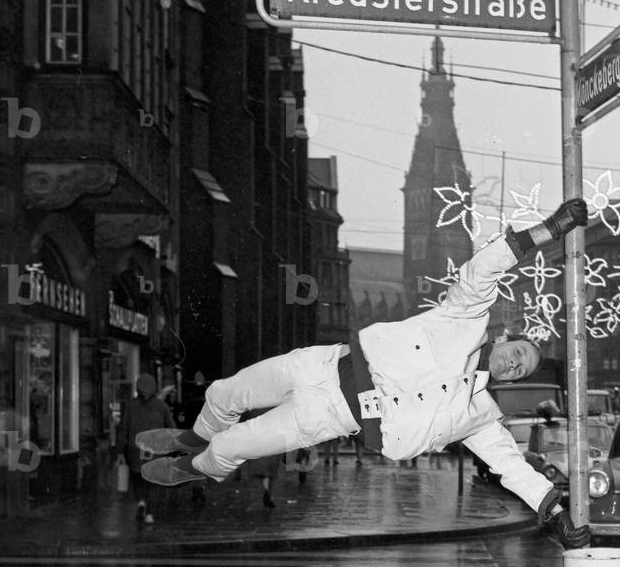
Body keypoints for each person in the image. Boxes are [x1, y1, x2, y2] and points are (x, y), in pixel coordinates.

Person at [136, 199, 592, 547]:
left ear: (511, 380)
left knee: (233, 446)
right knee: (223, 393)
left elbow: (512, 467)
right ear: (506, 338)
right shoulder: (464, 318)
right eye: (518, 352)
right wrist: (549, 230)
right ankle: (193, 438)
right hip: (323, 362)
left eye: (521, 368)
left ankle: (192, 468)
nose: (514, 362)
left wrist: (555, 513)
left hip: (329, 417)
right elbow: (483, 269)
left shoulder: (479, 415)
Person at [115, 373, 173, 524]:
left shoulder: (130, 405)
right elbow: (171, 428)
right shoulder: (162, 406)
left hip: (134, 450)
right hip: (155, 450)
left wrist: (120, 450)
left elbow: (123, 429)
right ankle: (150, 514)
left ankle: (141, 501)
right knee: (153, 482)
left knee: (137, 478)